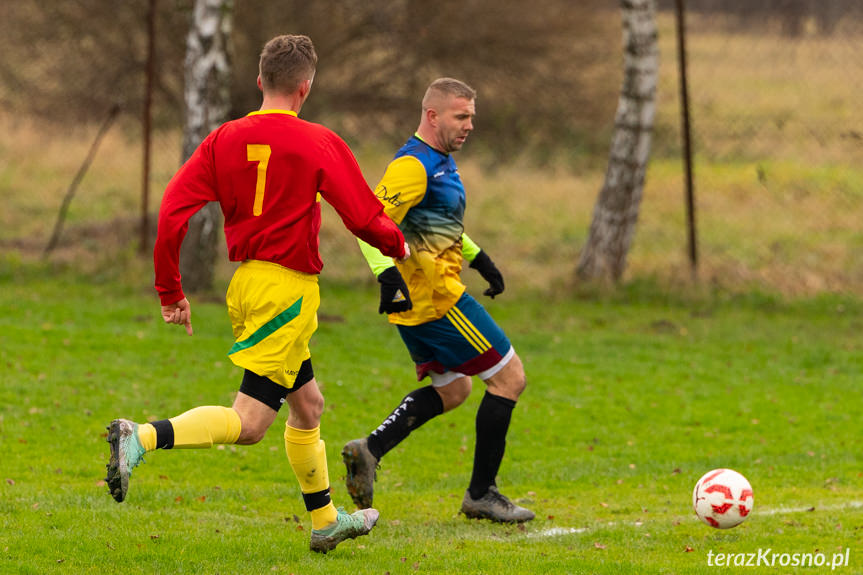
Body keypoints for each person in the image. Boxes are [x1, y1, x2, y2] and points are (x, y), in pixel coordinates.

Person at [104, 34, 409, 554]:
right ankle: (142, 436)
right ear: (305, 88)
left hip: (246, 285)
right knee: (248, 424)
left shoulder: (223, 138)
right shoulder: (318, 141)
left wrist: (169, 289)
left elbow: (173, 211)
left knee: (308, 406)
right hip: (286, 292)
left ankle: (326, 522)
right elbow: (362, 215)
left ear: (260, 80)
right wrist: (397, 245)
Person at [342, 78, 534, 523]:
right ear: (432, 116)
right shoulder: (413, 166)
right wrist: (385, 275)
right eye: (460, 116)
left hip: (422, 301)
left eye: (472, 117)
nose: (469, 125)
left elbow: (437, 223)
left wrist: (478, 258)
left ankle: (370, 450)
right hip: (437, 300)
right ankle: (482, 494)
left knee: (453, 389)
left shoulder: (441, 161)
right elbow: (368, 222)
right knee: (509, 379)